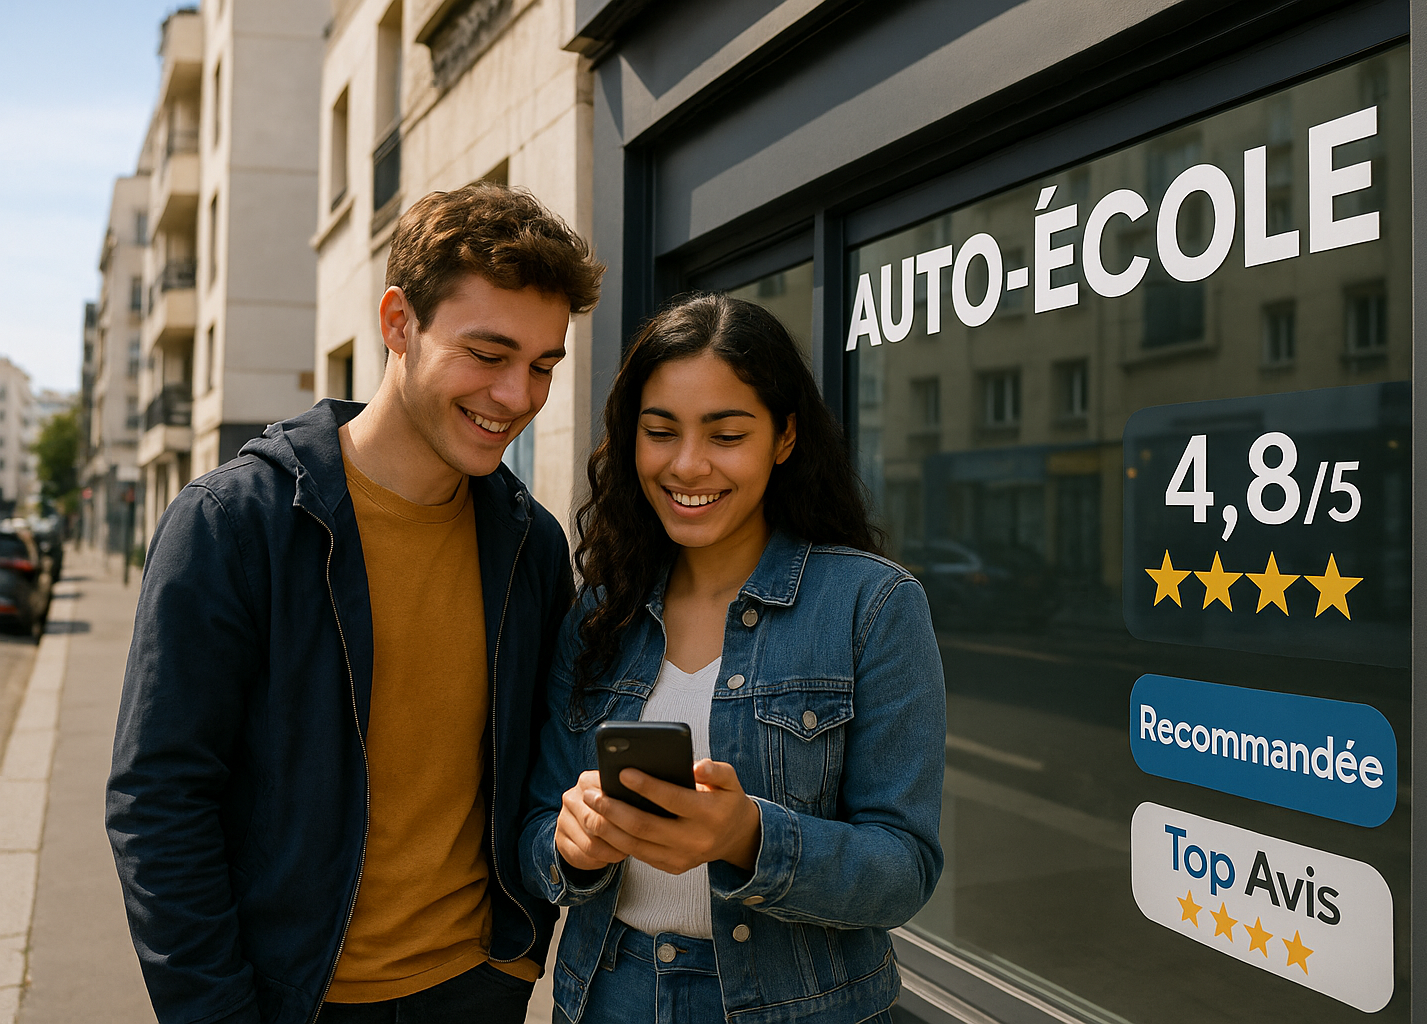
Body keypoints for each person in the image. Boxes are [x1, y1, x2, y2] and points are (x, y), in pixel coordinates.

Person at [106, 183, 603, 1024]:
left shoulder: (532, 545)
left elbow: (533, 774)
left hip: (480, 989)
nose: (518, 397)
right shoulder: (237, 524)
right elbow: (158, 803)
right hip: (293, 1002)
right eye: (488, 354)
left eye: (543, 365)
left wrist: (518, 959)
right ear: (398, 323)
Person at [520, 293, 946, 1024]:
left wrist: (749, 836)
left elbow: (904, 868)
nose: (688, 465)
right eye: (661, 432)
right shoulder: (598, 612)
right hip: (605, 998)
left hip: (800, 1007)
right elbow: (537, 826)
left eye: (726, 435)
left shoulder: (871, 606)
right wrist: (571, 843)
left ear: (783, 438)